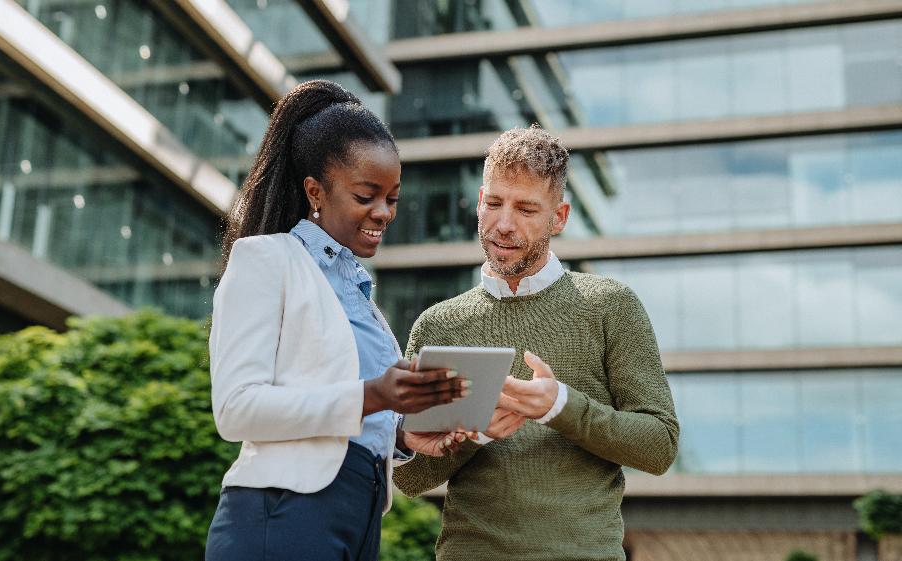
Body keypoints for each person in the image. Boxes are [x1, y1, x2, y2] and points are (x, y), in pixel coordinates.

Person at [205, 80, 472, 561]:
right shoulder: (266, 260)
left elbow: (343, 413)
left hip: (357, 516)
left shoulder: (358, 292)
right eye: (367, 195)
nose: (383, 213)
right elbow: (235, 409)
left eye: (392, 198)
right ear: (315, 191)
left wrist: (402, 434)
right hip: (284, 515)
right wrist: (374, 394)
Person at [393, 125, 680, 561]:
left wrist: (559, 407)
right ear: (478, 205)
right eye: (493, 203)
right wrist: (477, 433)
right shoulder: (438, 325)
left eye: (526, 209)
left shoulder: (610, 306)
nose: (503, 224)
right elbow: (410, 478)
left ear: (559, 218)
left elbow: (659, 445)